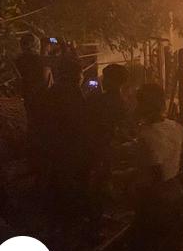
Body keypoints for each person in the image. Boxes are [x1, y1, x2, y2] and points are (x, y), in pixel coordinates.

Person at [121, 84, 183, 251]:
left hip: (155, 199)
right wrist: (176, 168)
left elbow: (155, 173)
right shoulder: (174, 127)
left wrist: (133, 184)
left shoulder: (147, 135)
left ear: (143, 105)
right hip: (175, 192)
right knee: (168, 250)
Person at [42, 53, 92, 230]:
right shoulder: (71, 92)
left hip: (56, 146)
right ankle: (71, 221)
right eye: (81, 73)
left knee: (60, 180)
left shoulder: (54, 91)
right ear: (75, 75)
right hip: (69, 147)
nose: (82, 77)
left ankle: (60, 220)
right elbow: (79, 121)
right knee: (70, 183)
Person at [86, 64, 131, 230]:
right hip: (109, 147)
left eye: (106, 78)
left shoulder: (99, 100)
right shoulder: (123, 102)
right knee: (103, 180)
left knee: (97, 182)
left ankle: (95, 220)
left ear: (114, 81)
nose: (103, 81)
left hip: (98, 147)